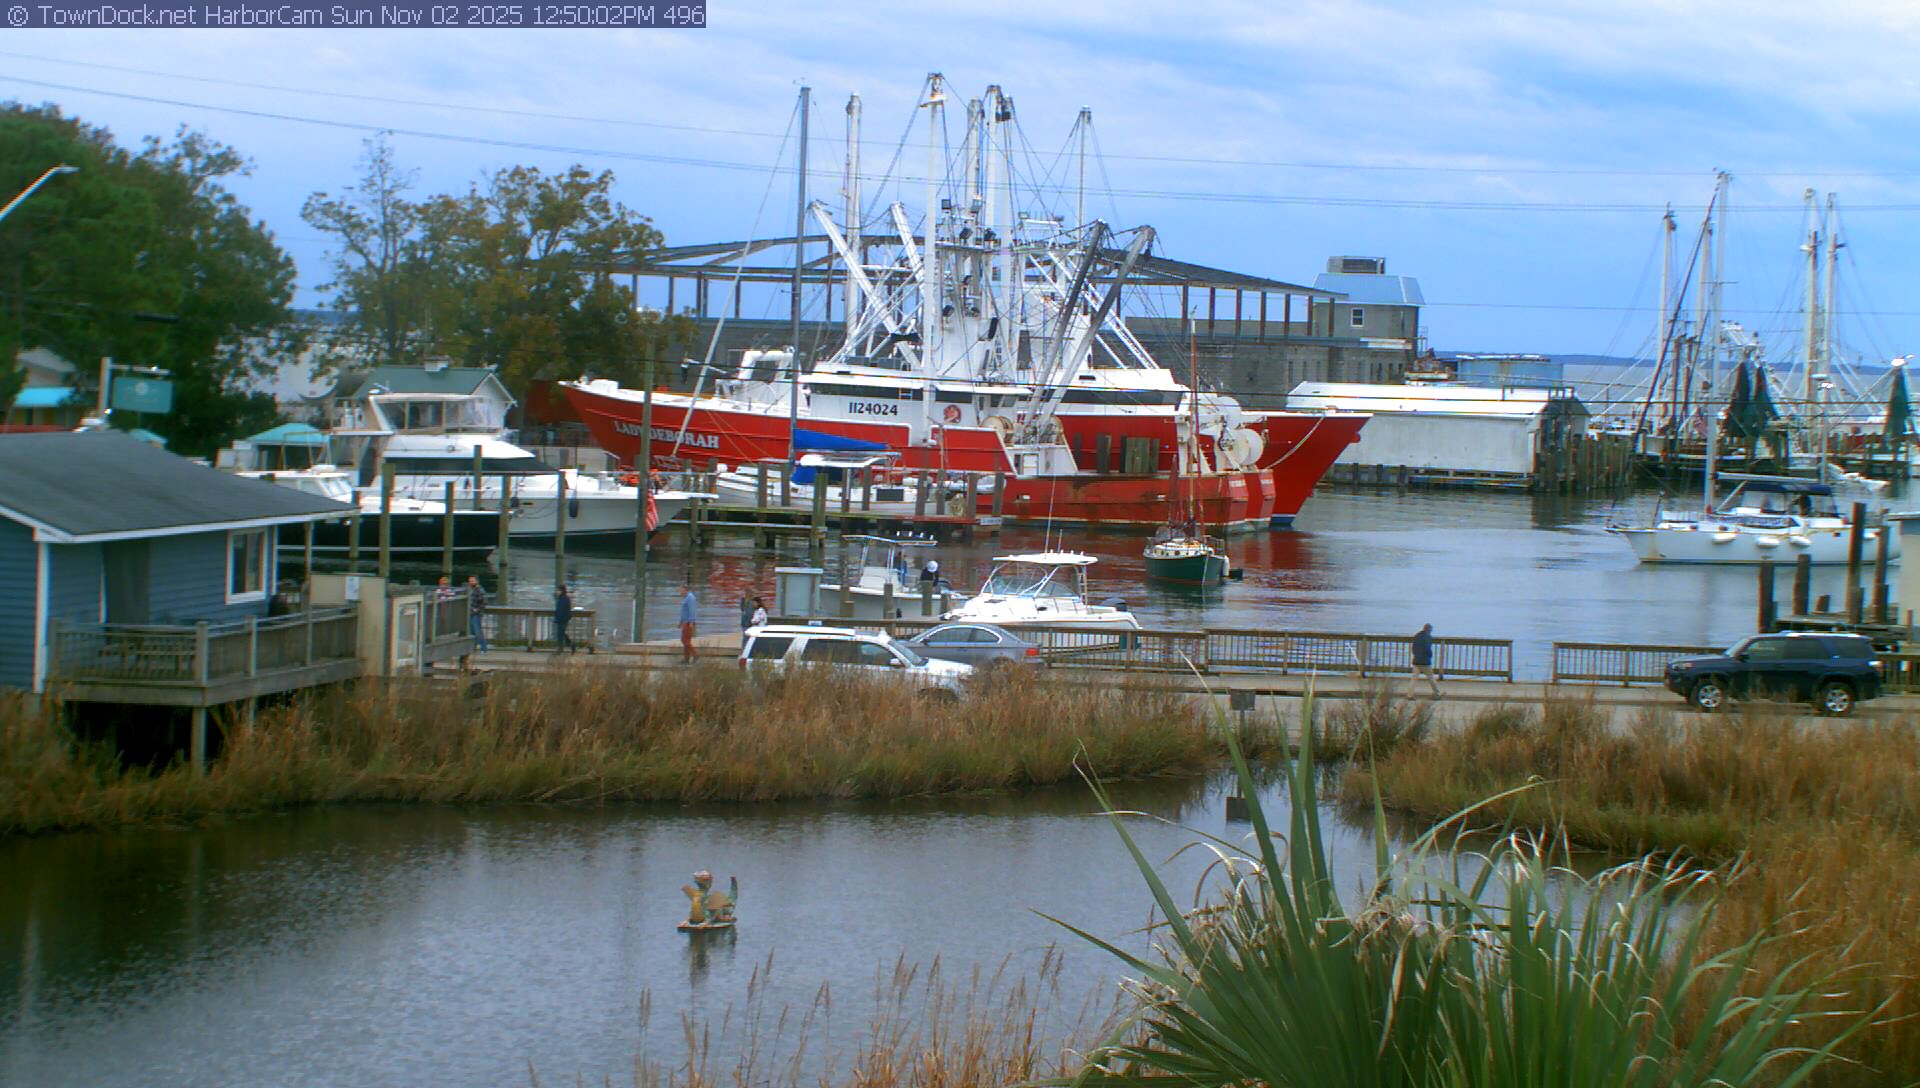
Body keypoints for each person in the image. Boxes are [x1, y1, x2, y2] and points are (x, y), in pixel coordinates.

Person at [1406, 622, 1441, 698]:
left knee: (1414, 678)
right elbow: (1428, 649)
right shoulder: (1428, 637)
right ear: (1428, 630)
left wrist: (1415, 655)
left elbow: (1413, 648)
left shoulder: (1417, 636)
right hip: (1425, 661)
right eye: (1430, 630)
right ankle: (1437, 694)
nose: (1431, 632)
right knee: (1431, 678)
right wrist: (1430, 656)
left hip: (1416, 661)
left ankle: (1409, 695)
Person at [466, 575, 489, 652]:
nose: (470, 582)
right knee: (471, 632)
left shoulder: (479, 589)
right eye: (469, 581)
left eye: (472, 581)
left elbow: (484, 601)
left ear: (476, 581)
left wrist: (478, 610)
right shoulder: (470, 589)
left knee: (477, 631)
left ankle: (483, 648)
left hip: (476, 614)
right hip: (470, 613)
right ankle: (473, 647)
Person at [679, 581, 698, 664]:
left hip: (688, 623)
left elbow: (692, 611)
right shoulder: (686, 598)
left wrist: (691, 622)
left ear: (685, 590)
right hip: (684, 622)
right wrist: (680, 622)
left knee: (684, 640)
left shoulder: (691, 598)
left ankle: (695, 655)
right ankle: (686, 659)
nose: (680, 592)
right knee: (686, 641)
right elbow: (684, 611)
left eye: (681, 591)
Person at [553, 584, 575, 654]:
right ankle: (571, 645)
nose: (556, 592)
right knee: (562, 634)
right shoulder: (563, 598)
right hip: (563, 619)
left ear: (561, 591)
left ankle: (561, 649)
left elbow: (562, 610)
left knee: (560, 634)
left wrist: (558, 618)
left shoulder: (564, 599)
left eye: (557, 590)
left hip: (562, 619)